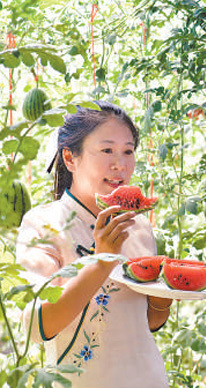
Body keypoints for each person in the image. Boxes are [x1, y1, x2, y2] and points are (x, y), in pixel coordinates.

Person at [16, 101, 172, 388]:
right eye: (107, 150)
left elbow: (145, 323)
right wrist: (101, 259)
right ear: (70, 158)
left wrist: (163, 301)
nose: (120, 164)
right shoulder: (42, 224)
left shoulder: (139, 225)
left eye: (128, 151)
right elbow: (38, 327)